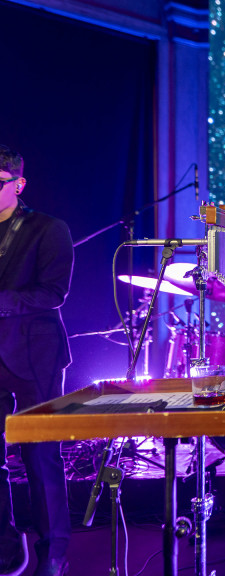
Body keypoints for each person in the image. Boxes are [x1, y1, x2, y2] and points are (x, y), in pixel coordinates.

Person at [0, 146, 72, 576]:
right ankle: (6, 550)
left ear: (18, 184)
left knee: (41, 457)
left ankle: (54, 553)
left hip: (36, 355)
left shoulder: (49, 228)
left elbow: (54, 293)